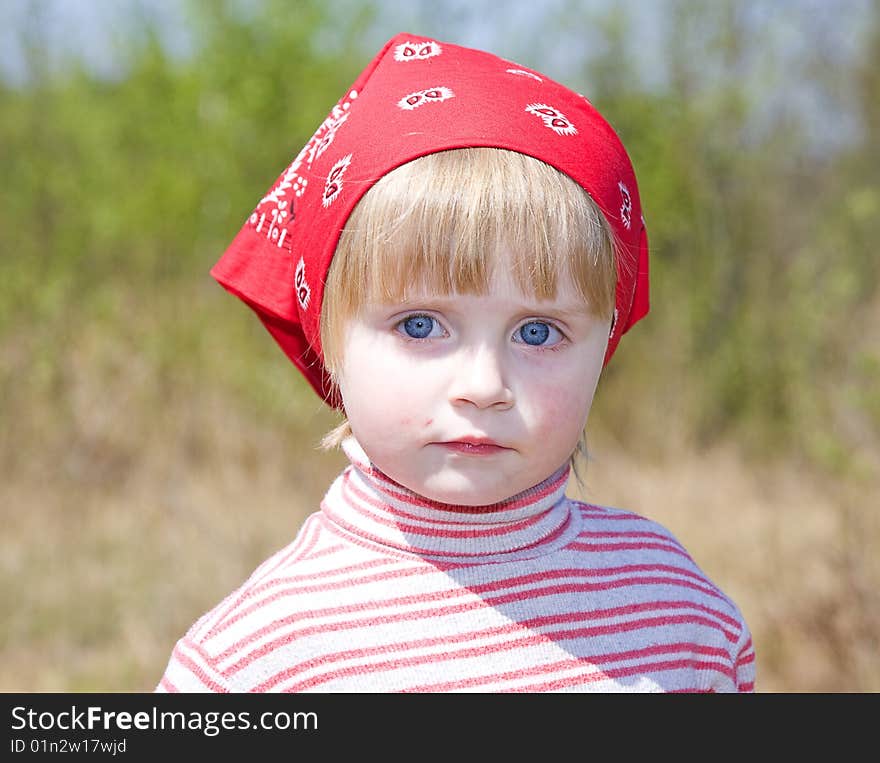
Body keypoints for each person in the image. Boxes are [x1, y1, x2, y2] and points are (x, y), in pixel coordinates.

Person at [156, 32, 755, 693]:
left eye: (537, 331)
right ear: (326, 338)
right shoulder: (257, 656)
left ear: (606, 340)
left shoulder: (677, 611)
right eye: (420, 324)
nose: (484, 385)